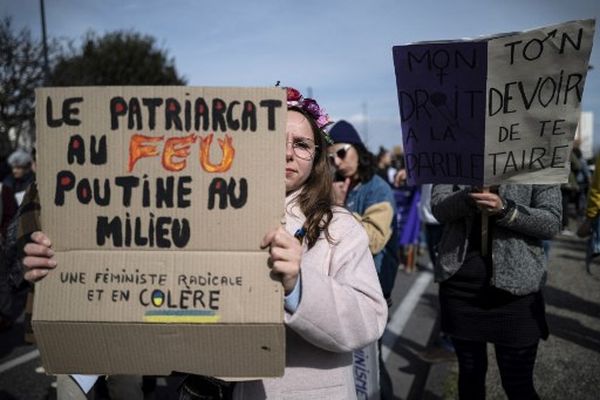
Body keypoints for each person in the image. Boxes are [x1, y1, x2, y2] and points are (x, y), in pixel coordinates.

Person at [22, 87, 388, 400]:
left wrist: (299, 287)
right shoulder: (202, 217)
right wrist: (66, 268)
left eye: (302, 144)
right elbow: (152, 300)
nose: (288, 153)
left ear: (318, 157)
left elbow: (368, 321)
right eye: (276, 141)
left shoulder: (339, 228)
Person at [431, 184, 561, 400]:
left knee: (518, 384)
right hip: (461, 288)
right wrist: (468, 197)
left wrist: (507, 210)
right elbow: (438, 209)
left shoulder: (536, 155)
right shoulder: (455, 150)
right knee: (470, 377)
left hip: (517, 290)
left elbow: (552, 223)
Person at [327, 120, 398, 399]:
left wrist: (339, 209)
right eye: (330, 157)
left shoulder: (377, 187)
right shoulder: (333, 183)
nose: (337, 161)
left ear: (357, 149)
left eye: (342, 152)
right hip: (339, 286)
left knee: (370, 361)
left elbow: (375, 239)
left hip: (373, 286)